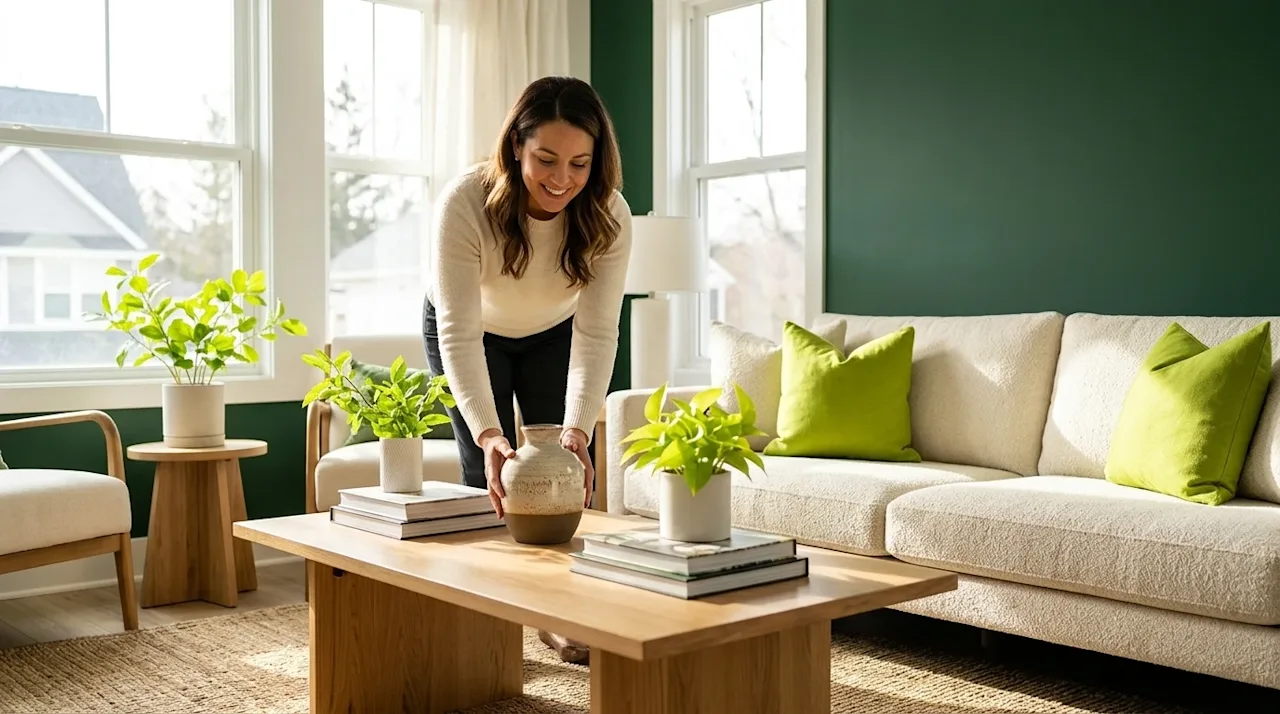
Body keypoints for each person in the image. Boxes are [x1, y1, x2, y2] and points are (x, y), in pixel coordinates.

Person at [422, 76, 632, 665]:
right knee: (484, 480)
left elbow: (597, 332)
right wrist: (490, 435)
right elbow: (459, 332)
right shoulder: (465, 201)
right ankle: (481, 626)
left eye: (580, 163)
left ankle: (556, 616)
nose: (562, 179)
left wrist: (579, 430)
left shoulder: (608, 214)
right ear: (517, 145)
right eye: (545, 159)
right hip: (468, 330)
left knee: (555, 484)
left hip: (553, 331)